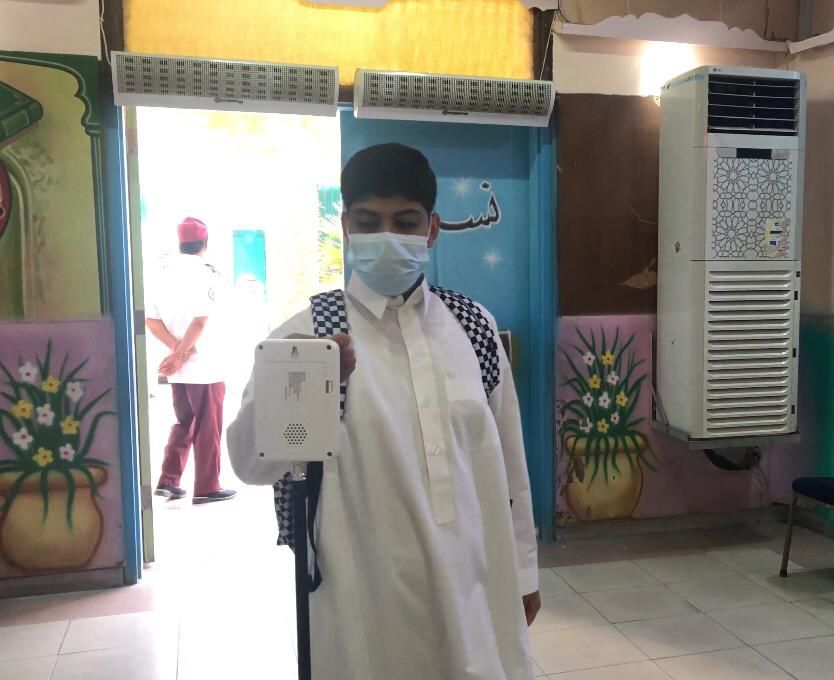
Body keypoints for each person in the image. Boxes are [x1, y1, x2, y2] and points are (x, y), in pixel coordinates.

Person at [226, 144, 540, 679]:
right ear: (346, 226)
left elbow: (511, 459)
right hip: (361, 600)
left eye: (405, 221)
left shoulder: (473, 327)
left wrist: (525, 570)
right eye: (369, 222)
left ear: (432, 230)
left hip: (474, 584)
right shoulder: (308, 335)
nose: (387, 236)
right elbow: (250, 465)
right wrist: (304, 384)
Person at [146, 217, 236, 504]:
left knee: (184, 421)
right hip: (205, 365)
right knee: (209, 425)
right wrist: (182, 354)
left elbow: (151, 320)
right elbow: (200, 321)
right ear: (204, 244)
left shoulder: (162, 273)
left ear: (180, 243)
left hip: (179, 367)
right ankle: (207, 487)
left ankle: (169, 480)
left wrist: (175, 352)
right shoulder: (207, 274)